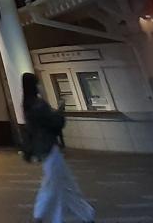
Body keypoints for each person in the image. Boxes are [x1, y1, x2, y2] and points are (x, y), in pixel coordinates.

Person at [22, 72, 95, 223]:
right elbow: (55, 122)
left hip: (41, 148)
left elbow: (31, 129)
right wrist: (61, 110)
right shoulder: (39, 104)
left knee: (63, 183)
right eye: (38, 83)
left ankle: (86, 215)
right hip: (50, 148)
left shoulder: (27, 105)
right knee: (55, 184)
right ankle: (43, 216)